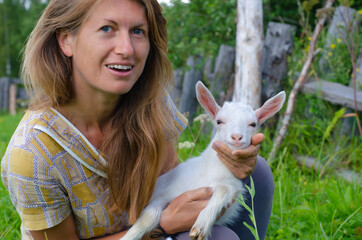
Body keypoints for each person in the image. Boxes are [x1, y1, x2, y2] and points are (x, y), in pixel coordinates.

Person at [0, 0, 274, 239]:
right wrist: (163, 226)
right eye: (107, 28)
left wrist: (229, 163)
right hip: (145, 231)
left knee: (256, 174)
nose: (126, 48)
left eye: (137, 31)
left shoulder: (151, 102)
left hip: (154, 220)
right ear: (66, 40)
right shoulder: (31, 154)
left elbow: (172, 182)